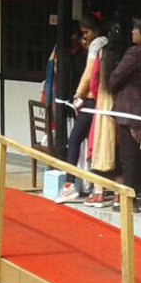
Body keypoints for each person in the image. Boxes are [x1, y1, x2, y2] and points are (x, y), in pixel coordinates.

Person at [106, 15, 141, 211]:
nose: (131, 32)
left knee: (128, 156)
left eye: (135, 29)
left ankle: (129, 199)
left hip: (130, 109)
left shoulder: (135, 53)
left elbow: (115, 78)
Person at [54, 14, 108, 204]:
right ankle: (98, 189)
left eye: (86, 32)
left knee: (75, 140)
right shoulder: (108, 43)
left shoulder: (96, 45)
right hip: (105, 100)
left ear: (94, 30)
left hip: (92, 100)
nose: (84, 37)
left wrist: (78, 94)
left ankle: (70, 185)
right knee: (98, 145)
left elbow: (88, 73)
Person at [85, 19, 128, 207]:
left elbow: (93, 80)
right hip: (121, 105)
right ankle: (119, 194)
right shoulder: (126, 55)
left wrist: (98, 96)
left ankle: (99, 193)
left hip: (103, 104)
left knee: (99, 148)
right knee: (119, 151)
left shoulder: (102, 54)